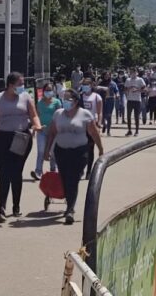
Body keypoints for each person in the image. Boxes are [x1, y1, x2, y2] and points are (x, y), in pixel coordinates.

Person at [0, 72, 42, 222]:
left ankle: (16, 206)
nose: (22, 87)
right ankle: (1, 207)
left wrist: (37, 125)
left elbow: (33, 114)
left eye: (23, 84)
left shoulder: (26, 97)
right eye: (19, 84)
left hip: (21, 137)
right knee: (3, 173)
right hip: (1, 138)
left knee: (16, 172)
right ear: (10, 85)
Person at [44, 89, 103, 225]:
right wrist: (47, 150)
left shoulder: (85, 114)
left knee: (74, 179)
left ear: (76, 101)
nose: (65, 101)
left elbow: (94, 133)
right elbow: (52, 133)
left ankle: (70, 209)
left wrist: (100, 148)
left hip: (79, 152)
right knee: (65, 178)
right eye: (64, 98)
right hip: (61, 151)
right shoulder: (58, 114)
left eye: (68, 99)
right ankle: (69, 203)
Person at [31, 83, 62, 181]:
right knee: (41, 151)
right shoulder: (39, 103)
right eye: (47, 90)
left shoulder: (57, 102)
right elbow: (36, 116)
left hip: (54, 131)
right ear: (43, 91)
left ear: (53, 91)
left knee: (53, 152)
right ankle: (38, 172)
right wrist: (36, 127)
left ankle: (54, 171)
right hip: (42, 130)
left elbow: (60, 115)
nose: (48, 92)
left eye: (50, 90)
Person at [79, 78, 102, 179]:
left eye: (87, 84)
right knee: (81, 149)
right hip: (81, 126)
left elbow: (100, 112)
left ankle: (89, 170)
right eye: (83, 84)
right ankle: (80, 170)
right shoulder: (79, 97)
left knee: (90, 149)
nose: (85, 86)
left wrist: (99, 123)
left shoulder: (96, 97)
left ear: (91, 85)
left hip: (92, 126)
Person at [124, 69, 146, 136]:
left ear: (136, 73)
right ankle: (129, 130)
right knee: (128, 116)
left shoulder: (140, 80)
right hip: (130, 99)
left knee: (136, 116)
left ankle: (136, 131)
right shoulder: (128, 80)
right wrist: (129, 88)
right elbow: (125, 89)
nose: (133, 74)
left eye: (134, 72)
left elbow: (144, 89)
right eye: (131, 72)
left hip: (137, 100)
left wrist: (137, 90)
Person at [100, 72, 119, 136]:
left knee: (109, 116)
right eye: (105, 75)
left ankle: (108, 131)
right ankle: (104, 124)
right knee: (102, 115)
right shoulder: (101, 83)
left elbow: (116, 91)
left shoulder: (113, 83)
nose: (107, 76)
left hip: (110, 101)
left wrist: (117, 95)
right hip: (102, 100)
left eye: (108, 75)